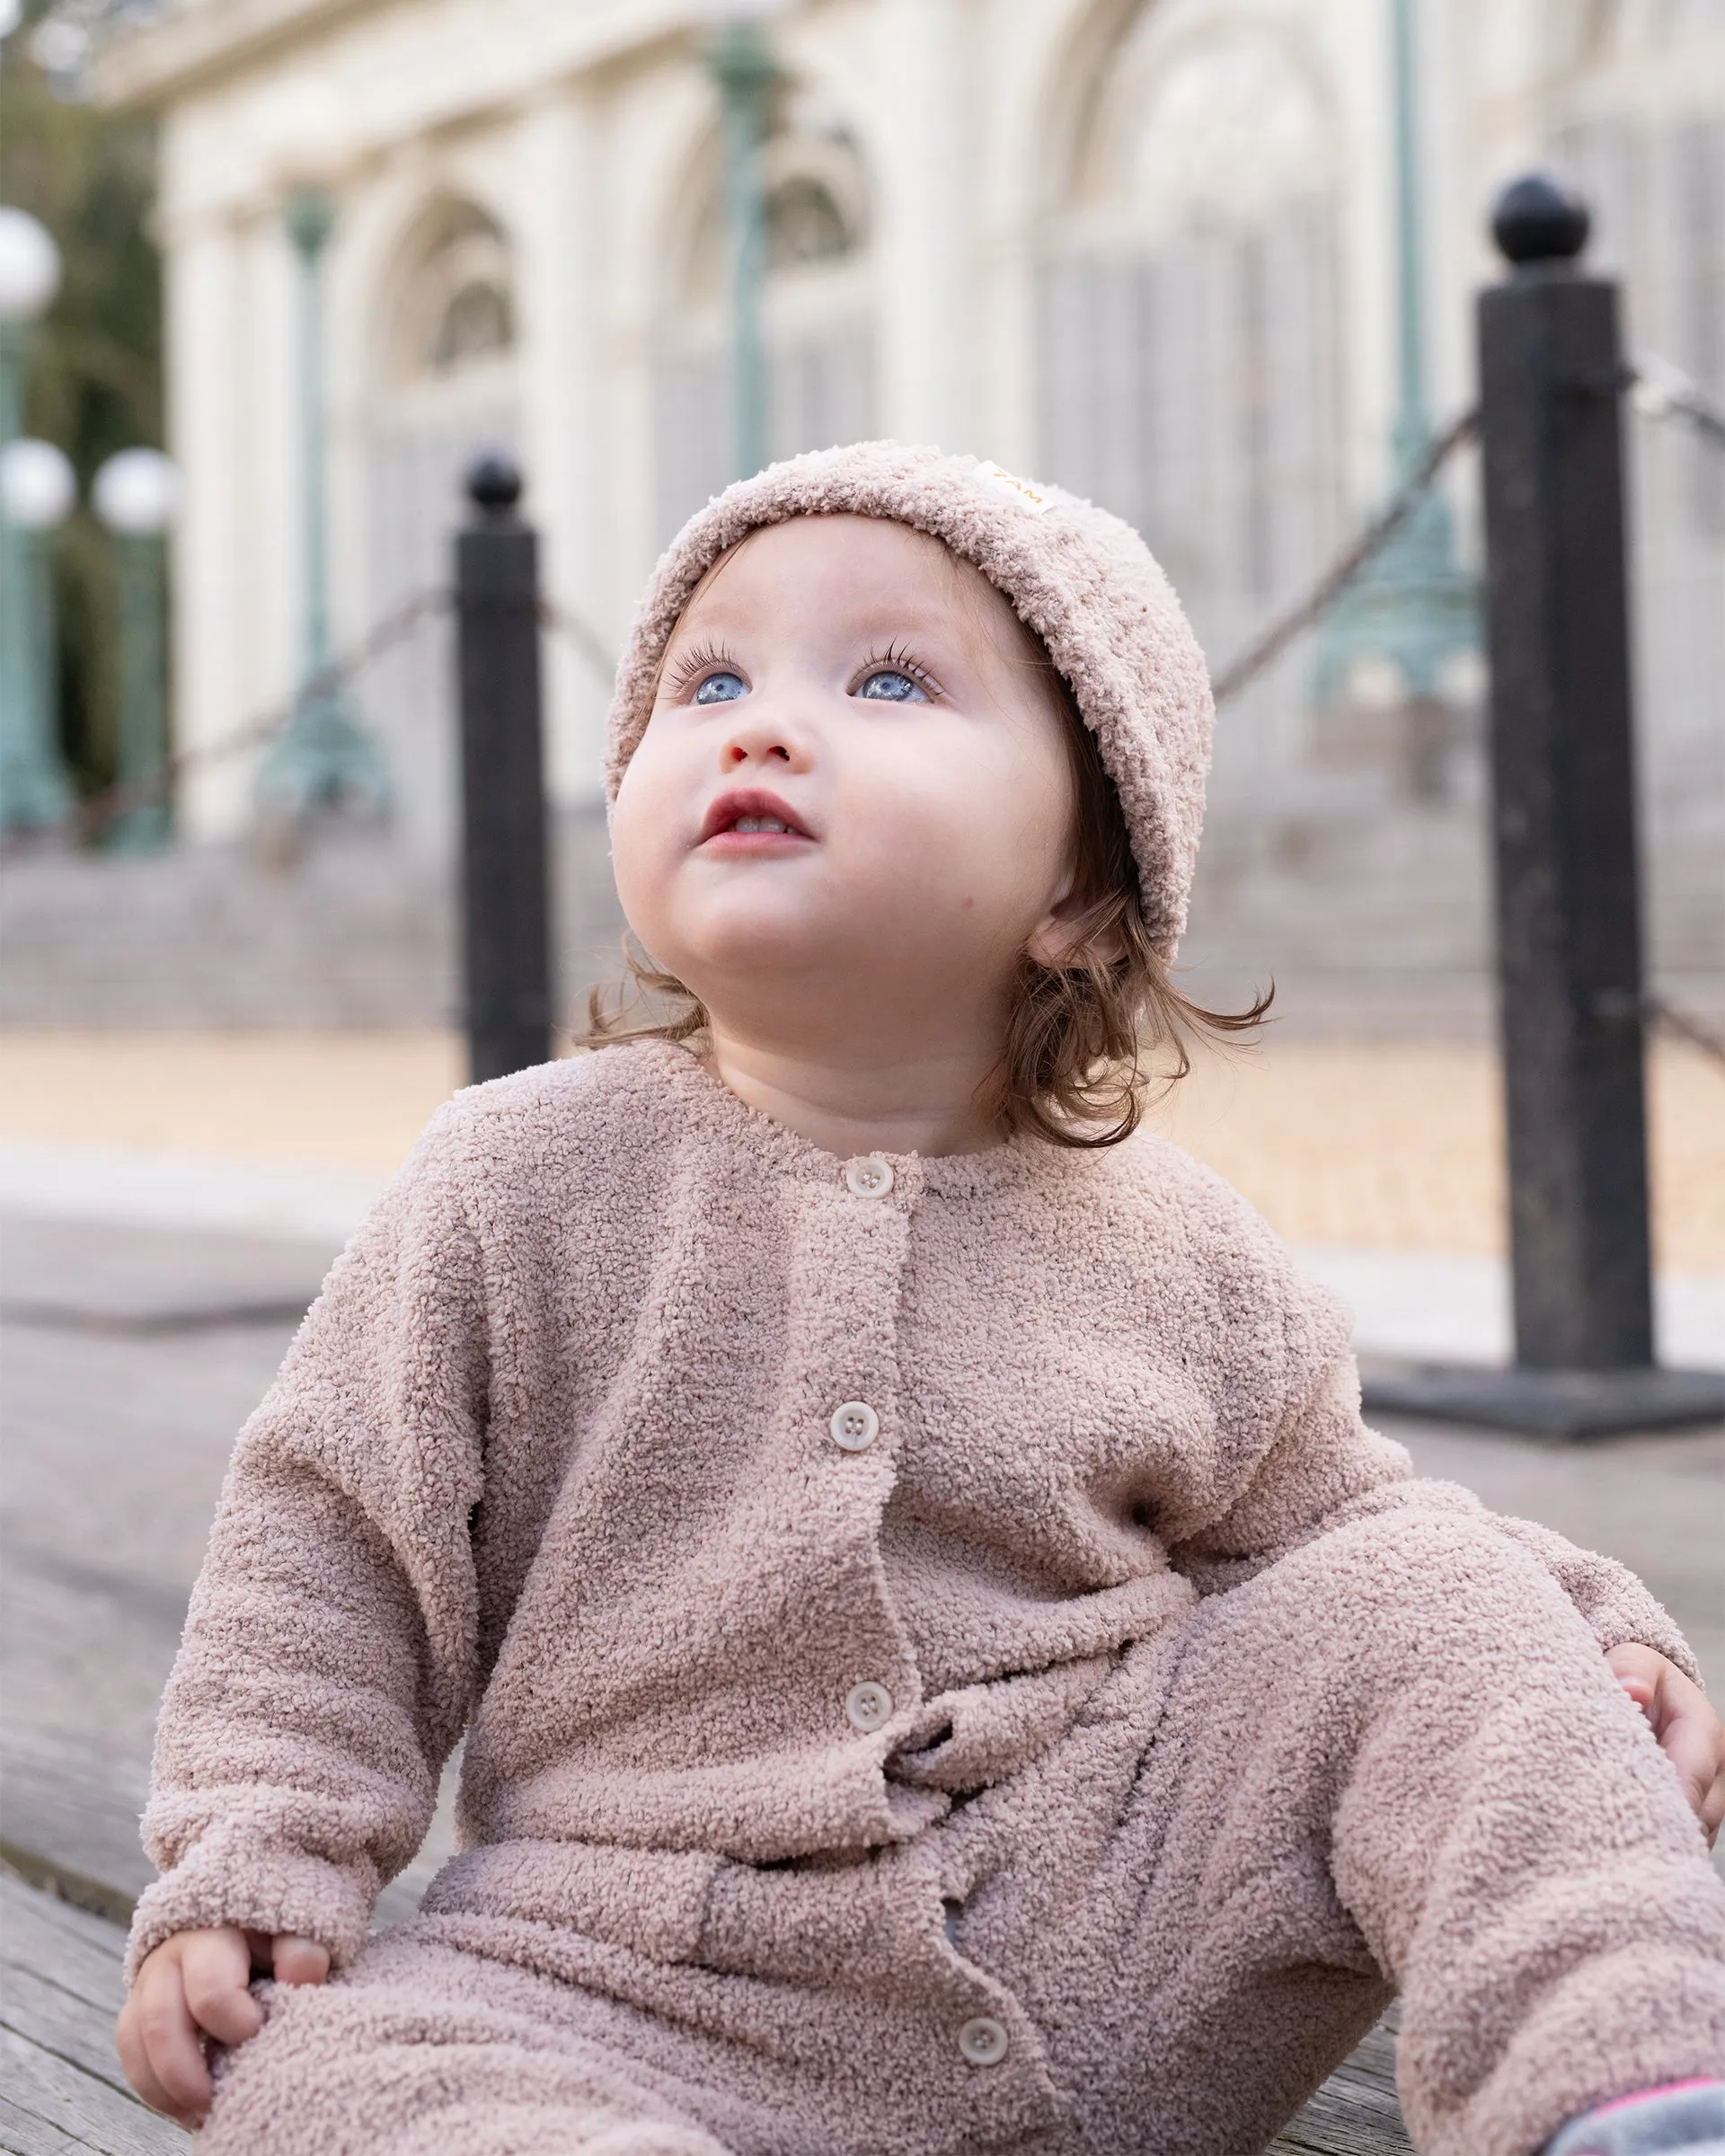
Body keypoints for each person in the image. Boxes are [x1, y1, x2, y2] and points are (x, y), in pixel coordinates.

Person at [118, 445, 1725, 2156]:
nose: (760, 724)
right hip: (621, 1973)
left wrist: (1587, 1627)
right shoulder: (516, 1178)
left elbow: (1343, 1531)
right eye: (707, 679)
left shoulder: (1179, 1249)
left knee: (1416, 1603)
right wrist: (257, 1847)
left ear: (1085, 893)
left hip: (1108, 1950)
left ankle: (1618, 2087)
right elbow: (334, 1543)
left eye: (889, 679)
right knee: (308, 2058)